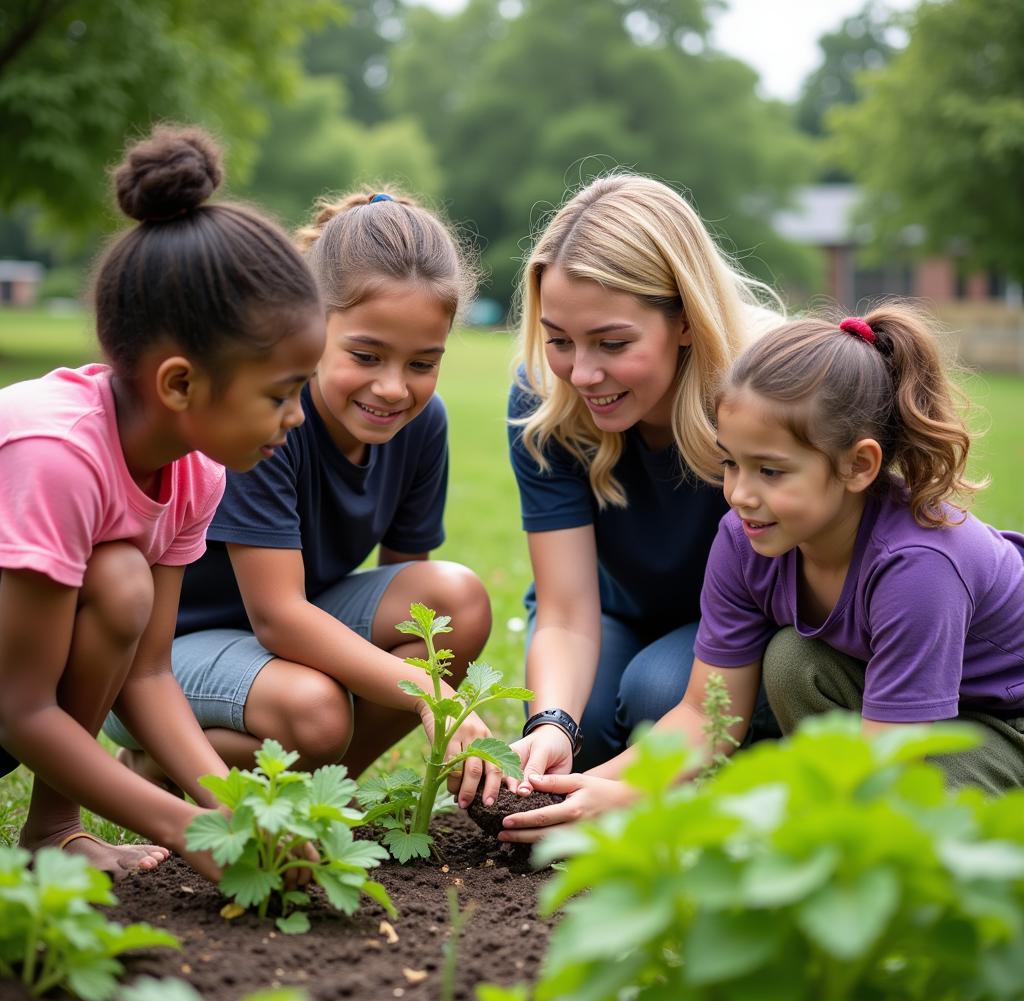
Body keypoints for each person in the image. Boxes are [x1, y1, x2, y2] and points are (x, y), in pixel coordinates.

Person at [501, 303, 1024, 840]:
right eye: (731, 463)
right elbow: (707, 713)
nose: (741, 495)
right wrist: (597, 788)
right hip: (918, 720)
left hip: (1004, 723)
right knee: (793, 661)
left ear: (859, 466)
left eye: (770, 471)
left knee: (884, 818)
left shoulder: (918, 568)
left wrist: (687, 813)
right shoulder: (745, 537)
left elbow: (882, 769)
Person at [0, 125, 325, 877]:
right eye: (280, 394)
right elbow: (21, 711)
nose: (297, 417)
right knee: (118, 576)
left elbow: (148, 673)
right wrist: (186, 827)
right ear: (180, 384)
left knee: (121, 580)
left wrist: (230, 811)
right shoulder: (55, 457)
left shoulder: (192, 467)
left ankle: (52, 833)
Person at [106, 189, 499, 808]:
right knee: (317, 712)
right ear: (311, 327)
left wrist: (414, 681)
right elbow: (277, 615)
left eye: (423, 363)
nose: (394, 388)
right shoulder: (269, 419)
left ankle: (331, 795)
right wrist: (435, 696)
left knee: (457, 604)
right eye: (366, 355)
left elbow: (412, 601)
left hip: (283, 640)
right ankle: (161, 759)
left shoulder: (424, 425)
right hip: (171, 654)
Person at [504, 173, 782, 792]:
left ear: (684, 319)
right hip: (606, 611)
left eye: (612, 343)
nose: (581, 373)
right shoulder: (543, 403)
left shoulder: (764, 395)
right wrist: (551, 723)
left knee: (656, 692)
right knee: (584, 725)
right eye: (559, 341)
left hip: (740, 628)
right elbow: (566, 610)